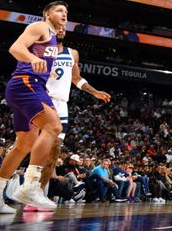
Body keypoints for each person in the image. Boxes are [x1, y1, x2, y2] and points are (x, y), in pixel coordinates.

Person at [0, 1, 68, 213]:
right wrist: (31, 57)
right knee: (54, 127)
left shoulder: (54, 40)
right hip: (26, 83)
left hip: (24, 87)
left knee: (23, 145)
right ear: (47, 13)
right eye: (59, 10)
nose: (64, 14)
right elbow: (15, 48)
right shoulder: (40, 27)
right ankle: (30, 185)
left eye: (66, 12)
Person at [30, 29, 111, 208]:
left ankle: (38, 196)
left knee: (55, 151)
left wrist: (95, 91)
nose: (60, 30)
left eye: (62, 28)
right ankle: (17, 188)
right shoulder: (39, 50)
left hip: (62, 105)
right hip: (43, 100)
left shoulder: (72, 53)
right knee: (31, 148)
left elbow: (76, 78)